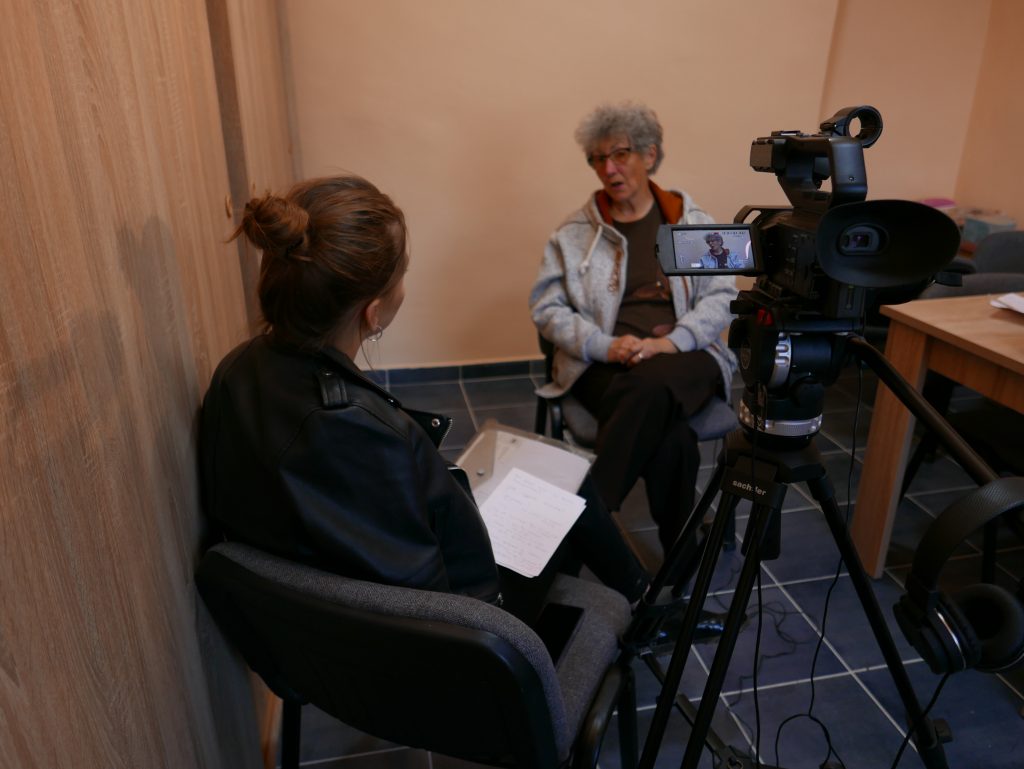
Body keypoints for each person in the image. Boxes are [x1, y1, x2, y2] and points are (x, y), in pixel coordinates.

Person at [199, 174, 664, 633]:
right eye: (402, 273)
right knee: (571, 488)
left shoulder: (238, 371)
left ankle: (636, 603)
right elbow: (435, 605)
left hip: (310, 626)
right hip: (459, 632)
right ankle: (639, 610)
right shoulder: (368, 434)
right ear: (373, 313)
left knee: (554, 484)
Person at [530, 102, 737, 561]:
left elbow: (723, 297)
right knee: (672, 437)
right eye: (598, 159)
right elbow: (547, 308)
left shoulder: (689, 222)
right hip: (604, 364)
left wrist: (669, 343)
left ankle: (579, 533)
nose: (608, 169)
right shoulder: (574, 234)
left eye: (620, 154)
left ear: (649, 155)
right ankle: (679, 560)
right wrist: (605, 346)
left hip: (685, 359)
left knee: (651, 386)